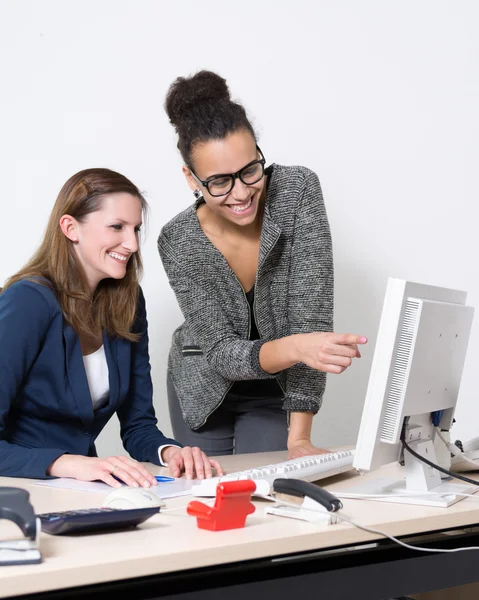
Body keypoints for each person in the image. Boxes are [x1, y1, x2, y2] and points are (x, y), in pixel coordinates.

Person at [158, 70, 368, 459]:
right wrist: (297, 346)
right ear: (191, 178)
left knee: (270, 491)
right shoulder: (178, 239)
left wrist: (300, 438)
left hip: (274, 387)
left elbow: (311, 321)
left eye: (250, 170)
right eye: (219, 181)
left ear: (258, 152)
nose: (241, 193)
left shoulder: (297, 192)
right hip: (203, 383)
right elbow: (221, 352)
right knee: (209, 498)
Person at [0, 167, 223, 487]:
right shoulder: (28, 301)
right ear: (70, 227)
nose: (132, 244)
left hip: (80, 487)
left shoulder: (128, 303)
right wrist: (67, 463)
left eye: (135, 229)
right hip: (20, 487)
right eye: (117, 227)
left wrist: (171, 452)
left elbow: (139, 426)